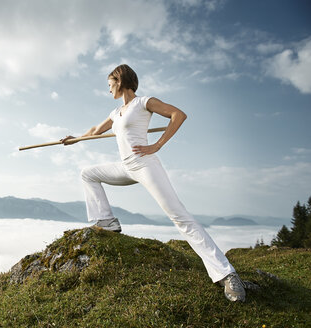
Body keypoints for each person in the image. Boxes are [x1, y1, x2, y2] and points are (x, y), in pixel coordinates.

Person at [61, 64, 246, 302]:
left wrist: (156, 145)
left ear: (120, 80)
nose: (108, 91)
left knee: (180, 217)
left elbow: (178, 115)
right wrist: (74, 139)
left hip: (146, 164)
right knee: (88, 173)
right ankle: (107, 221)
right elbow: (96, 130)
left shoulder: (143, 102)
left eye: (109, 85)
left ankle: (227, 274)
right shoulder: (115, 112)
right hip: (126, 167)